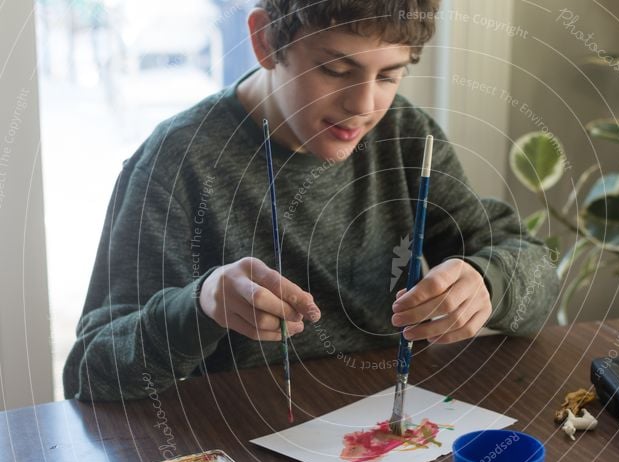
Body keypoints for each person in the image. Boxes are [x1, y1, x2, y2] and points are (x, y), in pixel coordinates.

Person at [63, 0, 559, 401]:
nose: (364, 106)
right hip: (239, 448)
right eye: (336, 69)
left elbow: (538, 276)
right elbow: (91, 374)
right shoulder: (178, 161)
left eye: (389, 75)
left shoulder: (406, 135)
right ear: (264, 40)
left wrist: (487, 282)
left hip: (389, 432)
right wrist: (201, 305)